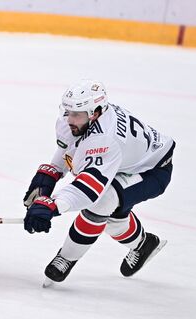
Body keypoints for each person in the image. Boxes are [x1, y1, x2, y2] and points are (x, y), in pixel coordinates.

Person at [23, 79, 174, 285]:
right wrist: (49, 176)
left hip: (152, 170)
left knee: (102, 203)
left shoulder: (105, 139)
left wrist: (53, 205)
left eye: (76, 114)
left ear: (95, 113)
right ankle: (144, 244)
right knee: (114, 220)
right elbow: (68, 148)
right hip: (124, 163)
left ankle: (66, 257)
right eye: (68, 111)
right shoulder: (78, 119)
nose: (69, 119)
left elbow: (89, 190)